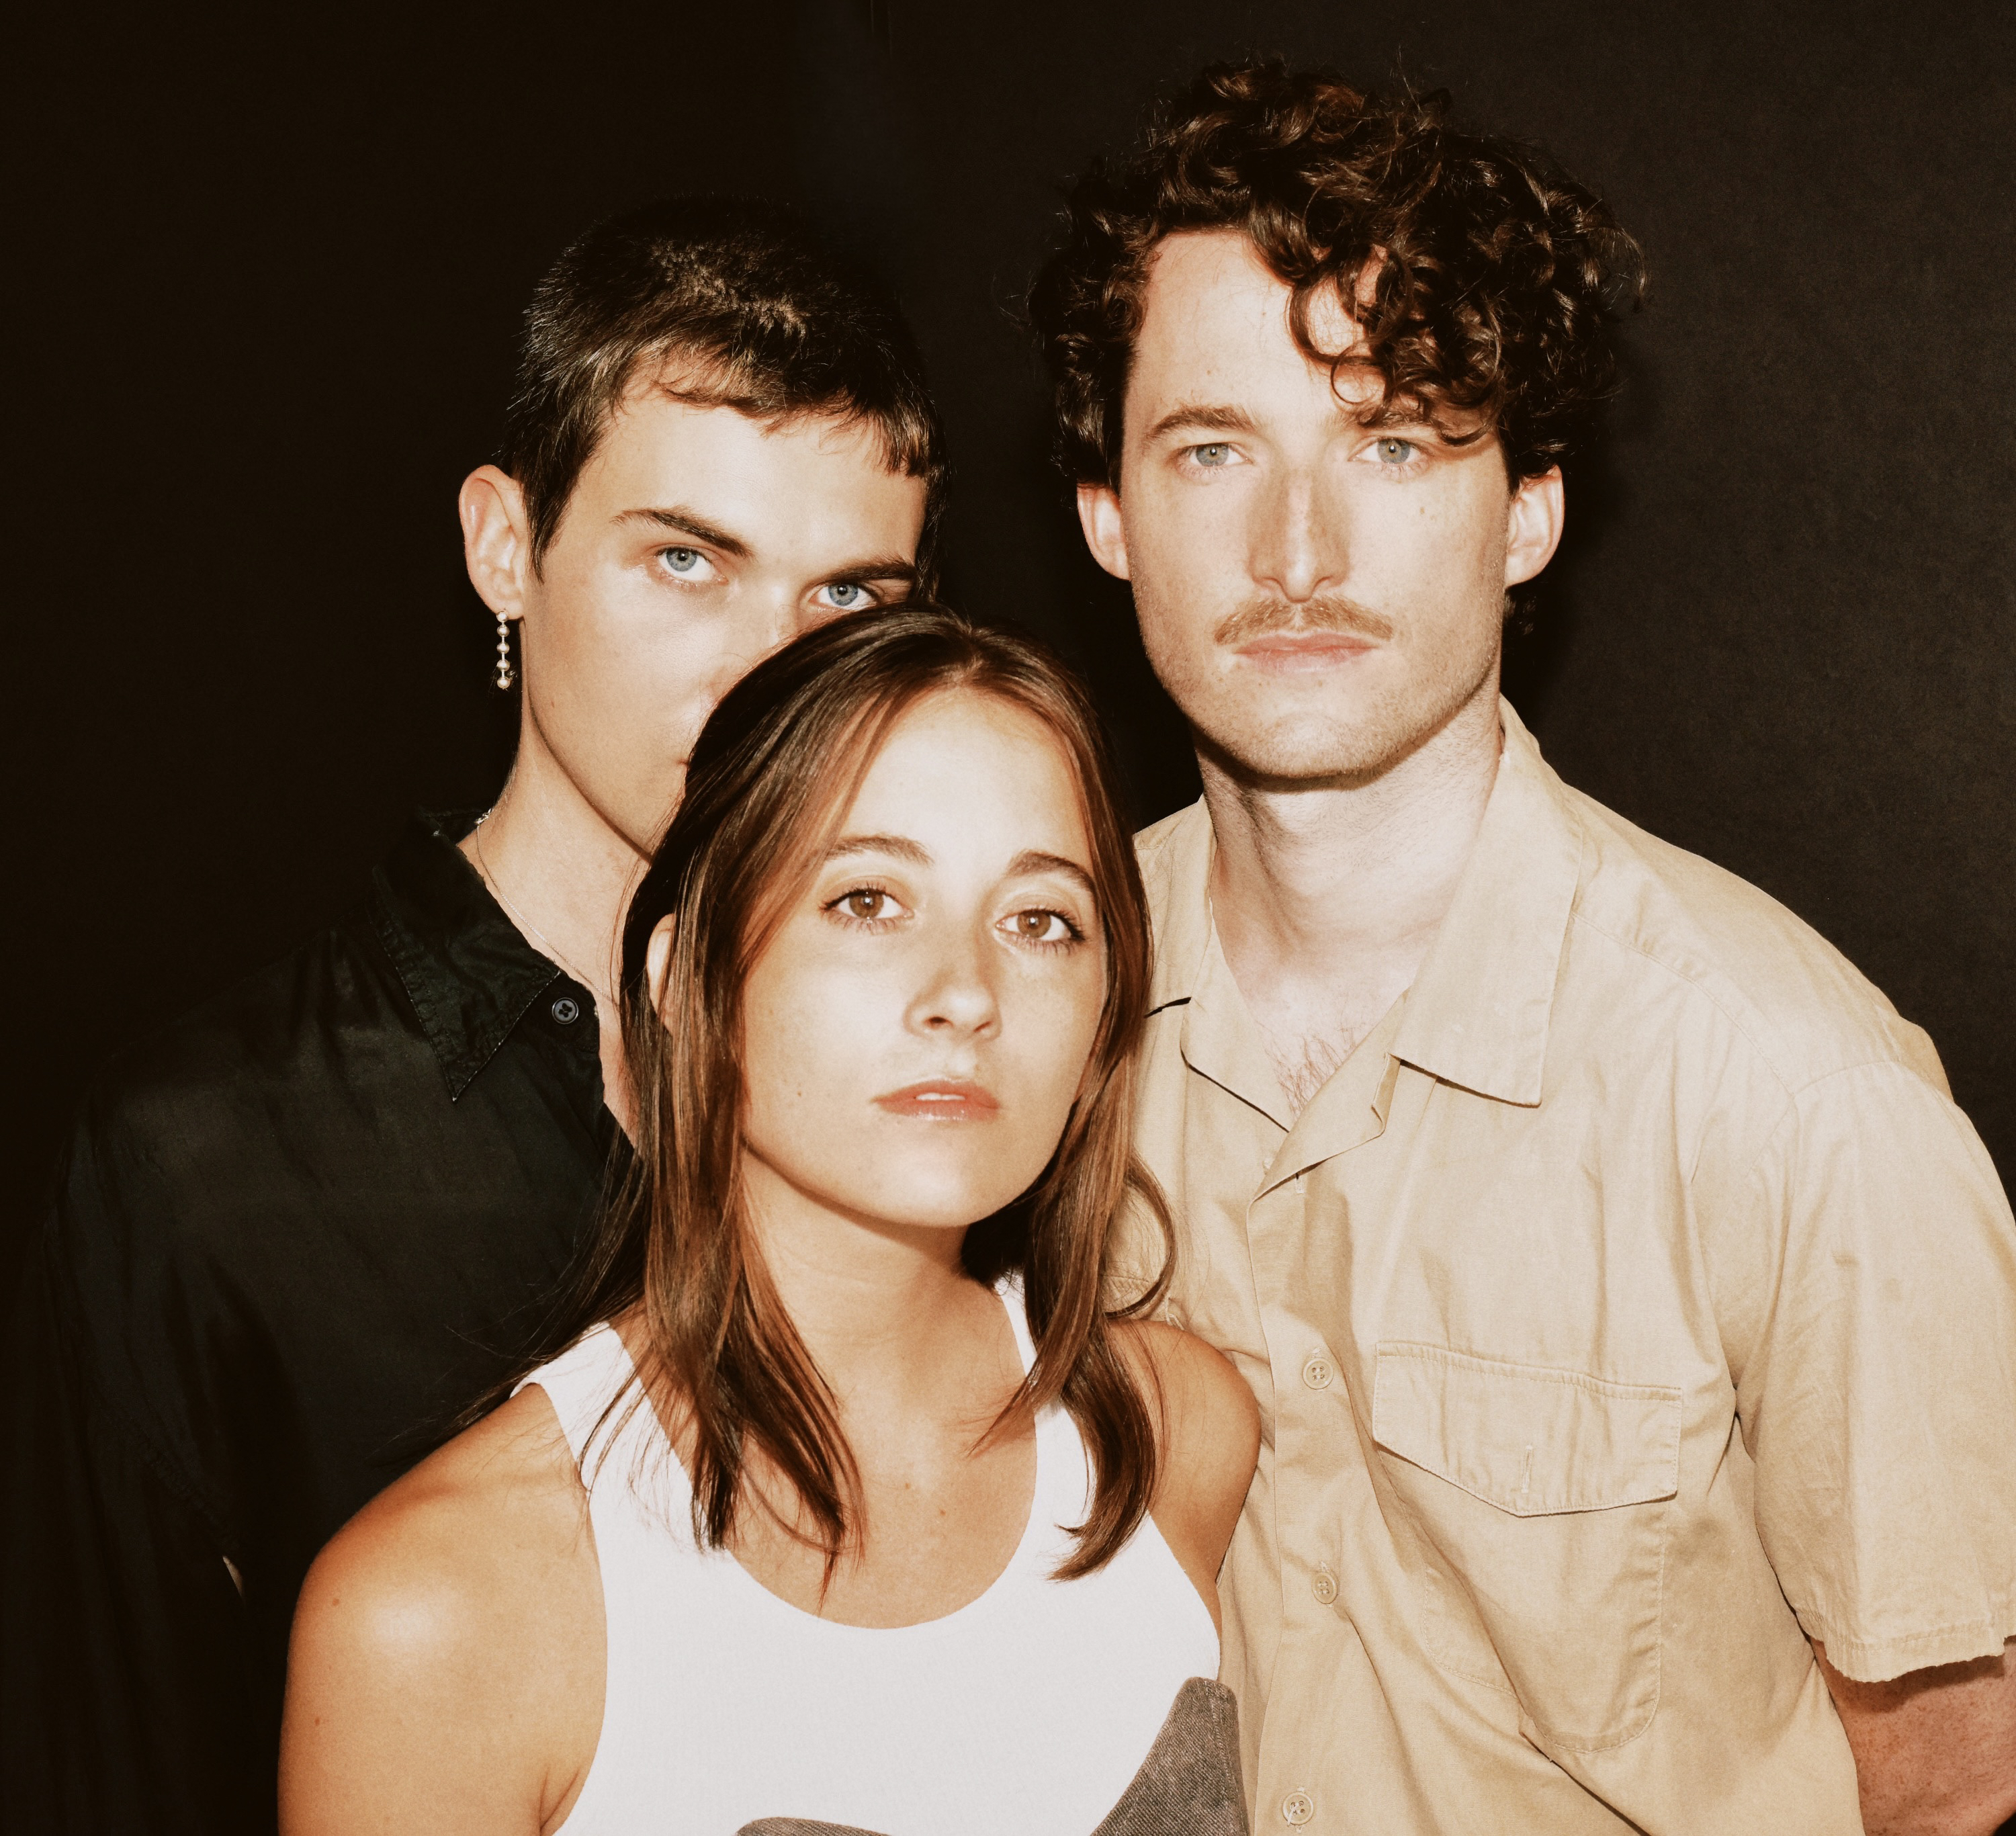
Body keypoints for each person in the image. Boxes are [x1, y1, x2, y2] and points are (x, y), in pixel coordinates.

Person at [1030, 59, 2016, 1836]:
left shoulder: (1799, 1100)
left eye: (1394, 443)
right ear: (1108, 513)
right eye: (1213, 449)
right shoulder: (1024, 1008)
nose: (1297, 547)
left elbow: (1950, 1781)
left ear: (1531, 509)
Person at [4, 198, 943, 1834]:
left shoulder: (953, 1084)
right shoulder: (209, 1163)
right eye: (686, 560)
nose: (771, 677)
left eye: (847, 597)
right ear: (505, 545)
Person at [277, 605, 1262, 1835]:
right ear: (686, 979)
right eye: (868, 900)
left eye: (1040, 919)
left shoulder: (1180, 1436)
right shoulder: (442, 1609)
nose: (966, 993)